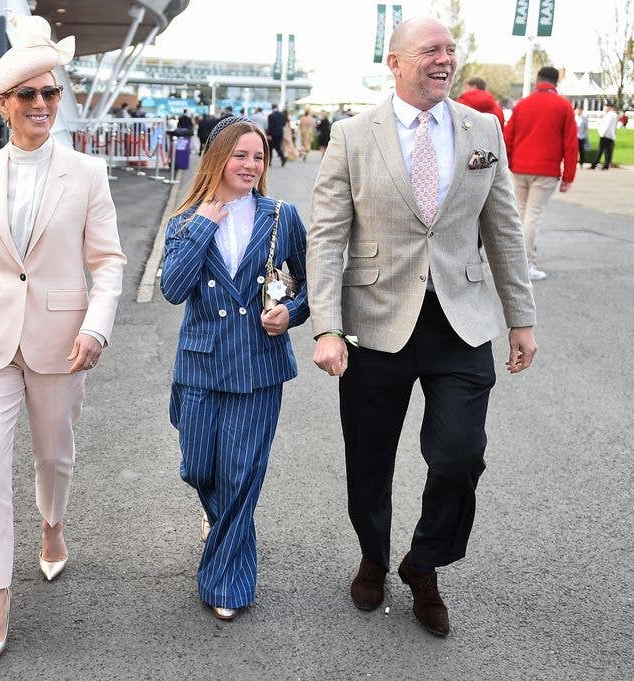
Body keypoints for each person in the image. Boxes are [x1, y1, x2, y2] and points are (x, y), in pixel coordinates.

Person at [307, 17, 537, 638]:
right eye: (431, 50)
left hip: (460, 324)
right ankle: (375, 557)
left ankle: (424, 563)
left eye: (450, 50)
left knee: (461, 455)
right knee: (369, 458)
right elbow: (327, 235)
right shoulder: (354, 136)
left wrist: (521, 317)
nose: (445, 59)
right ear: (395, 62)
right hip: (375, 322)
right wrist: (326, 325)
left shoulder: (482, 128)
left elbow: (504, 229)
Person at [0, 14, 125, 665]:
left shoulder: (88, 173)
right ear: (5, 103)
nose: (41, 105)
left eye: (51, 94)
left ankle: (53, 524)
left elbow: (111, 260)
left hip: (63, 340)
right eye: (28, 95)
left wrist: (96, 324)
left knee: (54, 455)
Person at [161, 115, 309, 622]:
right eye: (240, 155)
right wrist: (207, 220)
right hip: (200, 368)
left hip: (257, 368)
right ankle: (219, 516)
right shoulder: (185, 220)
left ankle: (226, 580)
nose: (250, 165)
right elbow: (173, 289)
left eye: (258, 157)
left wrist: (290, 312)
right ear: (217, 158)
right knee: (200, 468)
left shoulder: (281, 216)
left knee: (242, 475)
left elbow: (309, 288)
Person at [503, 66, 577, 282]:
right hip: (545, 170)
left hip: (520, 168)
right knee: (532, 216)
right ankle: (526, 263)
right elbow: (571, 145)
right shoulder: (563, 106)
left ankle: (512, 261)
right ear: (556, 82)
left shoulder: (523, 104)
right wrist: (568, 177)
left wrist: (508, 161)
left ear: (537, 81)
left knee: (520, 213)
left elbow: (508, 135)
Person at [591, 102, 618, 170]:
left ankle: (595, 164)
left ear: (609, 107)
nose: (604, 109)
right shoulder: (613, 114)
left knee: (601, 150)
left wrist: (602, 133)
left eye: (605, 107)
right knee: (608, 151)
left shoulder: (610, 115)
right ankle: (606, 165)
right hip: (610, 135)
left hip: (605, 135)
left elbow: (607, 125)